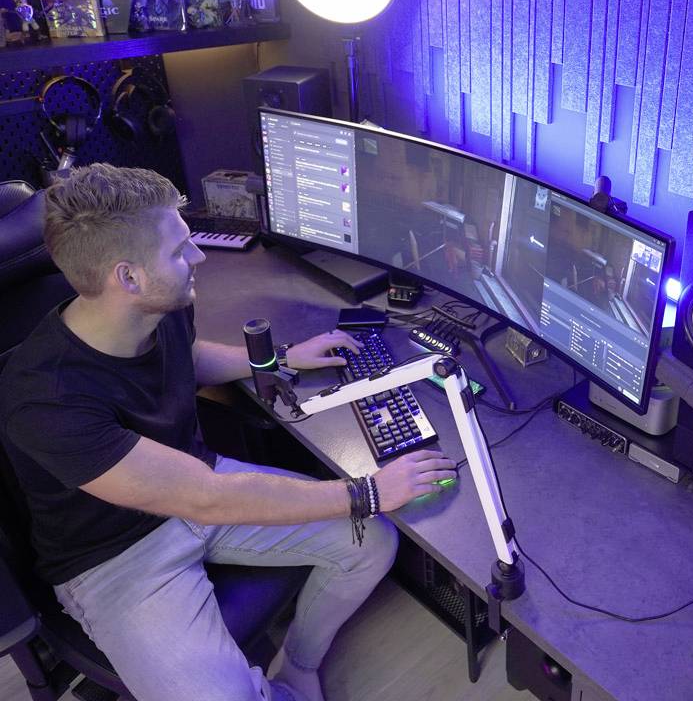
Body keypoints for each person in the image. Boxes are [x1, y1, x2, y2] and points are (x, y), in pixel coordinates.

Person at [0, 163, 457, 701]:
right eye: (178, 249)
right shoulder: (43, 397)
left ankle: (299, 667)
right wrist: (369, 490)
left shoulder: (157, 308)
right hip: (114, 558)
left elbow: (184, 360)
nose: (196, 257)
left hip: (198, 488)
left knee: (373, 541)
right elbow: (207, 497)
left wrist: (276, 361)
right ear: (128, 277)